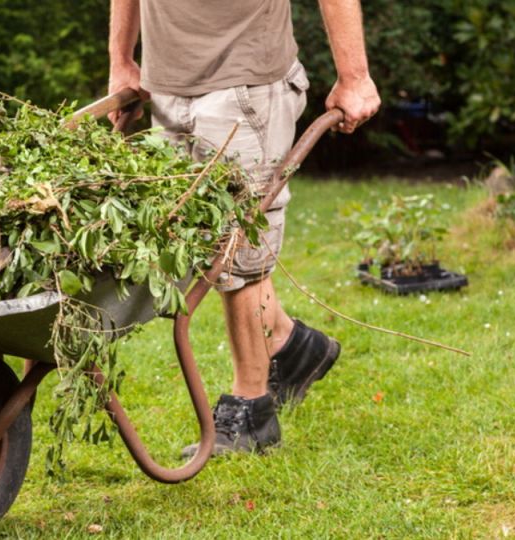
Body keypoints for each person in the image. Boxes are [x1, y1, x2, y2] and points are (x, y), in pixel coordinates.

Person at [108, 0, 381, 457]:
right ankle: (292, 345)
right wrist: (121, 61)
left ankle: (251, 408)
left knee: (238, 250)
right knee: (207, 247)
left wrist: (354, 76)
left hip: (245, 82)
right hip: (167, 85)